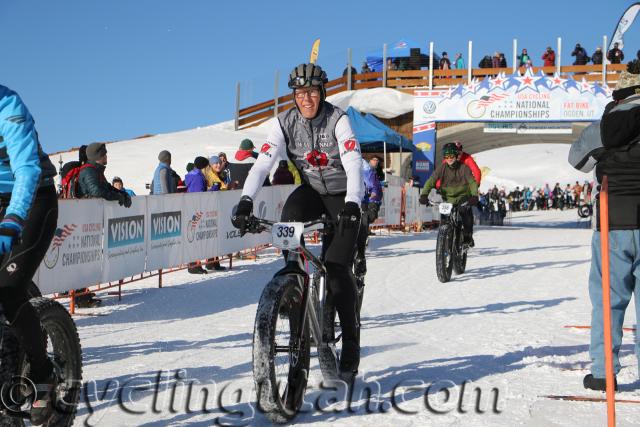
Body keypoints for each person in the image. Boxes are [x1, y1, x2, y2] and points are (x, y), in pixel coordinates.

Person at [232, 63, 364, 380]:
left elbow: (353, 162)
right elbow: (263, 165)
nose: (306, 98)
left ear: (322, 93)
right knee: (289, 220)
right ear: (294, 95)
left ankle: (351, 340)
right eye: (300, 93)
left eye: (312, 92)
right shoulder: (283, 123)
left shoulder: (338, 120)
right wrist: (246, 199)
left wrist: (353, 203)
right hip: (313, 192)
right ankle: (294, 290)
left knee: (335, 270)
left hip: (344, 196)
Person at [569, 71, 640, 391]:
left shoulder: (603, 127)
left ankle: (603, 372)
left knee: (608, 299)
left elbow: (577, 161)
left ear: (619, 95)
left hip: (613, 220)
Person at [0, 84, 61, 424]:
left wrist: (11, 221)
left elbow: (26, 169)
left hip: (33, 200)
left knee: (8, 288)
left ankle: (43, 373)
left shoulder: (8, 105)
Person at [419, 142, 479, 247]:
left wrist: (474, 196)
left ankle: (467, 237)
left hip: (463, 198)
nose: (449, 158)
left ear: (456, 156)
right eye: (447, 156)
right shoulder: (442, 168)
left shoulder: (464, 168)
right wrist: (424, 195)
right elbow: (431, 181)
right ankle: (445, 242)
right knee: (445, 220)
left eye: (451, 155)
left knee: (466, 216)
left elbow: (472, 183)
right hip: (448, 199)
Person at [78, 143, 132, 208]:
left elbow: (107, 187)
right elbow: (96, 192)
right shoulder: (88, 170)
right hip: (87, 212)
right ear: (98, 156)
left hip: (96, 210)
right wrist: (117, 196)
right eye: (104, 154)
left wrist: (123, 193)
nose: (106, 156)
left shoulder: (96, 170)